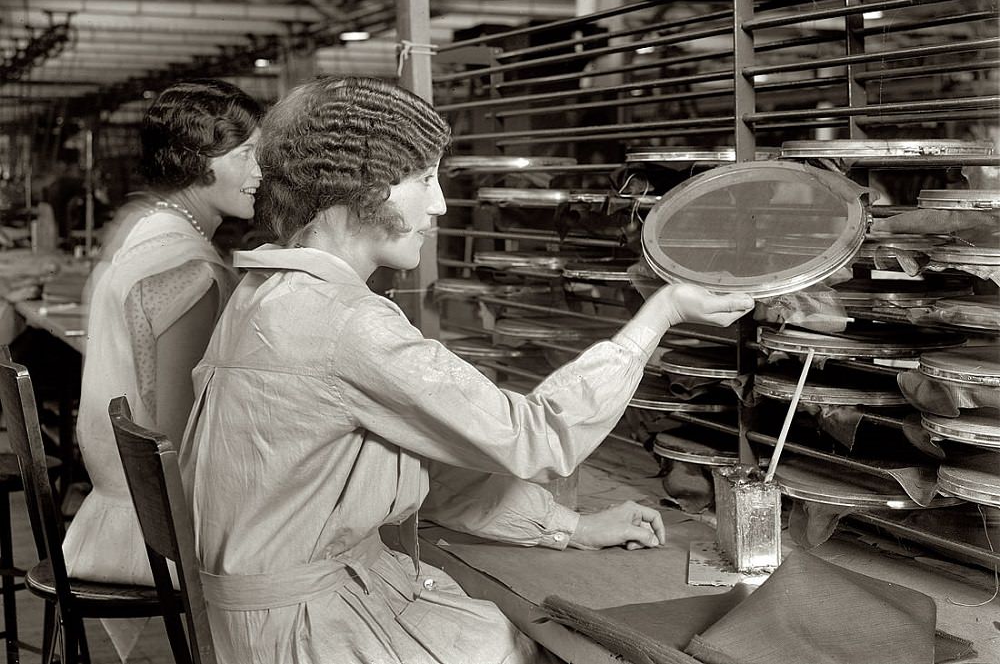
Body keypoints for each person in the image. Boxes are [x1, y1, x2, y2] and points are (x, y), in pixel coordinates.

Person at [179, 76, 753, 664]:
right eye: (424, 179)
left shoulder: (265, 290)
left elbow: (417, 460)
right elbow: (536, 436)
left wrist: (569, 527)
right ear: (362, 186)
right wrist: (662, 313)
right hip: (304, 632)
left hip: (273, 611)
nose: (440, 204)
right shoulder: (344, 322)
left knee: (509, 636)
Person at [62, 79, 263, 658]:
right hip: (151, 534)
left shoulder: (154, 233)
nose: (261, 170)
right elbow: (175, 441)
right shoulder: (190, 269)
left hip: (114, 511)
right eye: (246, 153)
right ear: (198, 158)